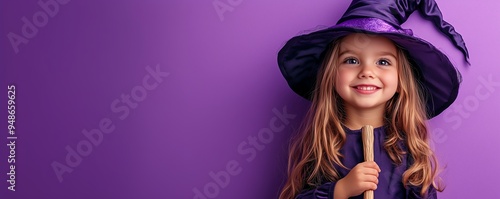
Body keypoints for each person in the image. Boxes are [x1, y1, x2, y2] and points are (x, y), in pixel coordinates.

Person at [276, 0, 469, 198]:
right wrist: (340, 190)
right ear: (331, 74)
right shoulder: (323, 144)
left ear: (400, 78)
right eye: (351, 60)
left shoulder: (408, 150)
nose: (367, 71)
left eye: (383, 62)